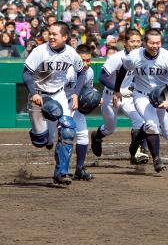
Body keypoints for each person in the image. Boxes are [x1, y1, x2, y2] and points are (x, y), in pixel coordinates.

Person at [113, 29, 168, 173]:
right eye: (152, 43)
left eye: (158, 43)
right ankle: (157, 160)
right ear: (144, 43)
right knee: (152, 126)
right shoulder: (134, 56)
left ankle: (138, 138)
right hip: (142, 95)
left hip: (162, 94)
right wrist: (117, 90)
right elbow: (122, 71)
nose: (155, 46)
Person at [22, 21, 86, 185]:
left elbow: (81, 74)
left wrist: (76, 95)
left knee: (68, 130)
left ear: (65, 37)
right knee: (42, 141)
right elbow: (27, 74)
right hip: (39, 98)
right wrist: (34, 93)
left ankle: (61, 172)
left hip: (59, 95)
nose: (50, 36)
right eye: (49, 33)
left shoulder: (71, 53)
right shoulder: (39, 51)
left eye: (54, 34)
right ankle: (41, 136)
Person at [90, 29, 150, 165]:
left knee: (140, 122)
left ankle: (137, 153)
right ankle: (97, 136)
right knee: (110, 128)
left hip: (128, 97)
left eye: (138, 41)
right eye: (132, 41)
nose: (135, 44)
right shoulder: (117, 57)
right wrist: (118, 90)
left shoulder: (141, 57)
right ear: (125, 43)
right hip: (110, 96)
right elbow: (102, 77)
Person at [64, 44, 95, 181]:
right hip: (61, 103)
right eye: (83, 60)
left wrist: (93, 99)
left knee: (83, 135)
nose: (85, 63)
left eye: (88, 60)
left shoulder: (89, 72)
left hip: (76, 106)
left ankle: (79, 168)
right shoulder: (67, 71)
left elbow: (87, 91)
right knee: (62, 137)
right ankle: (62, 169)